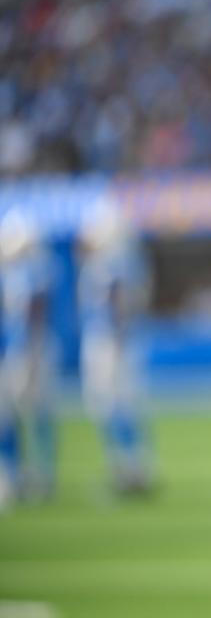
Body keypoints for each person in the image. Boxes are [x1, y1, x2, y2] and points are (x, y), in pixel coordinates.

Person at [76, 199, 155, 495]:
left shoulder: (113, 262)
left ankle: (127, 469)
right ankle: (133, 468)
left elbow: (118, 306)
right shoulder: (125, 260)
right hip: (117, 340)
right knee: (122, 404)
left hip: (110, 342)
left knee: (112, 404)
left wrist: (117, 341)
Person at [0, 209, 58, 506]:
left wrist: (23, 348)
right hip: (17, 348)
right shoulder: (17, 270)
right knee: (10, 415)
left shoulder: (35, 268)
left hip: (30, 349)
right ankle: (17, 473)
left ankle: (39, 474)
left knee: (32, 411)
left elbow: (31, 314)